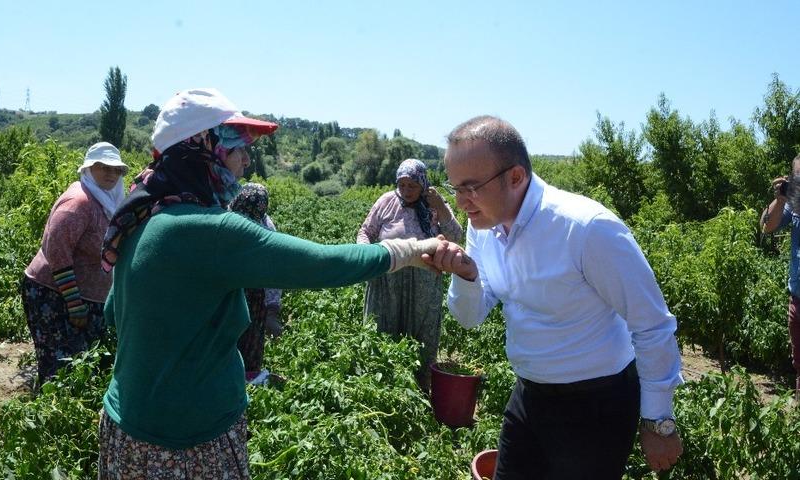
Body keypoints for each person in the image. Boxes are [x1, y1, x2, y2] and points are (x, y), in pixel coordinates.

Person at [96, 88, 442, 480]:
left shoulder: (140, 215)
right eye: (238, 147)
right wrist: (411, 250)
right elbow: (323, 264)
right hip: (189, 443)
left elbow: (113, 313)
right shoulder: (210, 231)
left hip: (126, 431)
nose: (246, 160)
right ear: (203, 149)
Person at [424, 115, 684, 479]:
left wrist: (658, 421)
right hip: (530, 396)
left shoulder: (587, 229)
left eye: (471, 188)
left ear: (515, 177)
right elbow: (470, 317)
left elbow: (652, 324)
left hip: (596, 406)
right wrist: (467, 275)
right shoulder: (483, 225)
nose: (461, 202)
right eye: (454, 188)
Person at [20, 142, 128, 387]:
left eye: (116, 169)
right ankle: (49, 415)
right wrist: (74, 302)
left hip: (85, 298)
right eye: (103, 167)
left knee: (82, 363)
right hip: (54, 294)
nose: (111, 174)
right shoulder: (79, 202)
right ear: (89, 170)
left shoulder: (107, 200)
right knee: (59, 366)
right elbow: (56, 250)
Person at [357, 158, 462, 390]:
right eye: (402, 185)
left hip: (423, 282)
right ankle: (381, 387)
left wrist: (442, 208)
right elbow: (365, 231)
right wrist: (366, 254)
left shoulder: (435, 204)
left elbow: (455, 237)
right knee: (384, 331)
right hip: (388, 281)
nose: (406, 191)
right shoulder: (386, 201)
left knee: (421, 336)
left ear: (423, 183)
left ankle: (419, 390)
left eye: (412, 185)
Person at [230, 183, 284, 372]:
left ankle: (248, 378)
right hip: (229, 291)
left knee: (251, 342)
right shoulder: (224, 219)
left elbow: (274, 271)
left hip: (254, 296)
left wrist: (271, 312)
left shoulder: (266, 229)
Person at [759, 153, 800, 402]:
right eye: (796, 177)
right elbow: (767, 226)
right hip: (797, 299)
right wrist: (780, 197)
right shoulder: (793, 202)